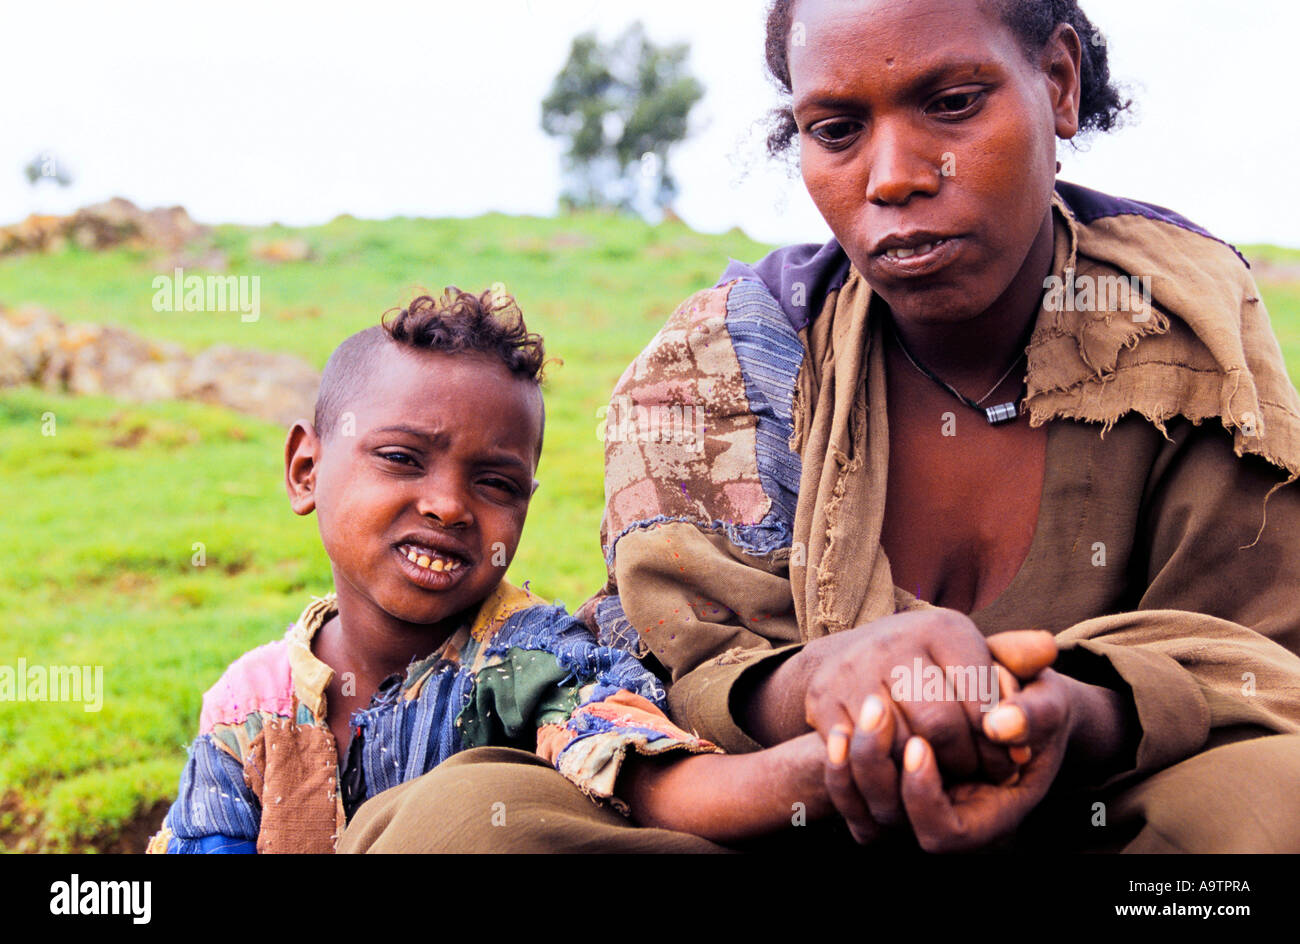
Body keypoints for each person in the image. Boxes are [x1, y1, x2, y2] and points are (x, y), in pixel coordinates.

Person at [341, 0, 1300, 853]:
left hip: (1093, 816)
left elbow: (1258, 669)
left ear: (1056, 82)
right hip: (773, 818)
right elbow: (675, 667)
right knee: (465, 826)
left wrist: (1067, 711)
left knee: (1277, 800)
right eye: (837, 128)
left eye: (953, 102)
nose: (893, 176)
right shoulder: (724, 362)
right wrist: (818, 684)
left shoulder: (1184, 337)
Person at [147, 287, 846, 854]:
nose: (449, 507)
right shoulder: (249, 706)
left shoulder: (534, 662)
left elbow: (651, 779)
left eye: (495, 483)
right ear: (306, 470)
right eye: (401, 458)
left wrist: (832, 770)